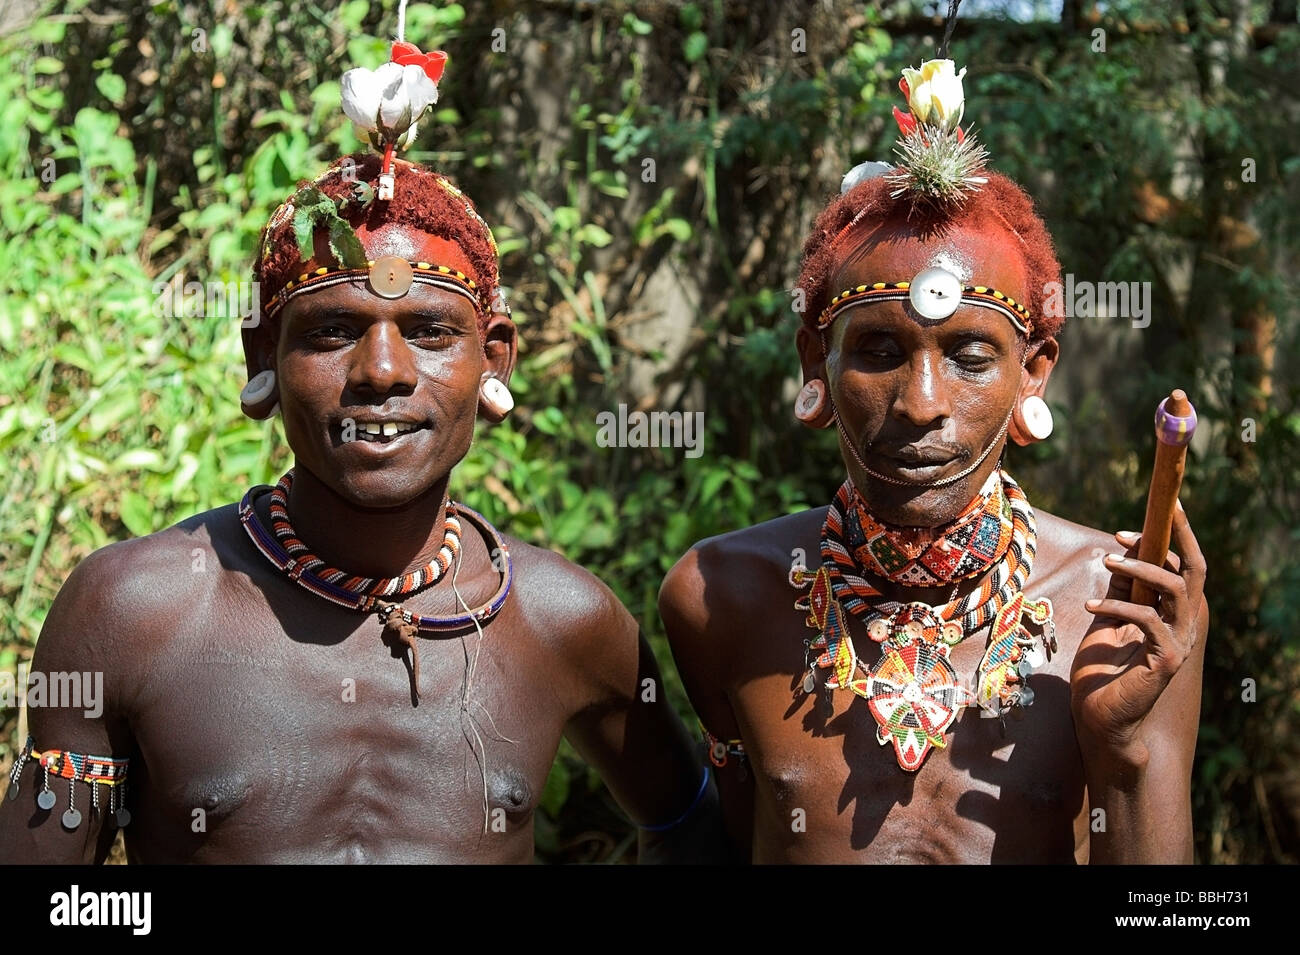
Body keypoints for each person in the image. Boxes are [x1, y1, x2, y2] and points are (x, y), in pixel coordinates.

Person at [0, 37, 715, 864]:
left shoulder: (565, 621)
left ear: (495, 359)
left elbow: (692, 831)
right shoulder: (130, 610)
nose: (381, 372)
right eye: (334, 331)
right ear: (262, 357)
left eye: (430, 332)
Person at [659, 57, 1208, 863]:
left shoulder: (1124, 610)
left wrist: (1122, 754)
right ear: (816, 364)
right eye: (878, 349)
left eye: (970, 357)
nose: (921, 402)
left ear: (1034, 373)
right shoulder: (720, 599)